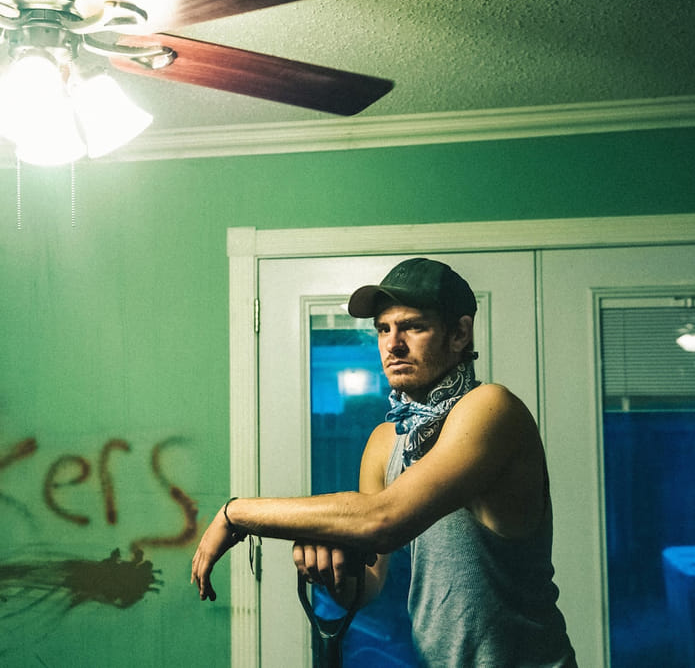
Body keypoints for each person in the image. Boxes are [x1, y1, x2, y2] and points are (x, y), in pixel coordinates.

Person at [191, 257, 575, 666]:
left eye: (413, 326)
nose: (393, 344)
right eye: (383, 329)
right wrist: (333, 565)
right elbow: (368, 582)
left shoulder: (491, 408)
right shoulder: (386, 440)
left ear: (460, 333)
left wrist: (236, 514)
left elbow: (382, 520)